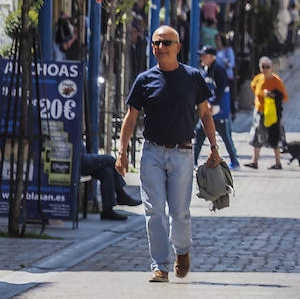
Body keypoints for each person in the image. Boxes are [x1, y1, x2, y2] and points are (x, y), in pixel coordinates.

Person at [116, 25, 221, 282]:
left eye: (166, 43)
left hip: (183, 153)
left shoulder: (193, 77)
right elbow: (131, 118)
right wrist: (122, 152)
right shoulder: (144, 80)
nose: (160, 47)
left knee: (179, 212)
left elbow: (205, 114)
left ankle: (182, 250)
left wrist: (215, 147)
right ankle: (160, 266)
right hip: (151, 152)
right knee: (154, 211)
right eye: (156, 43)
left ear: (178, 47)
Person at [194, 47, 241, 169]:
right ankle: (193, 160)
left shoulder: (219, 69)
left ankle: (234, 161)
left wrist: (213, 103)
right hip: (208, 109)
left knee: (226, 136)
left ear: (211, 56)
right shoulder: (206, 69)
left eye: (204, 55)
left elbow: (221, 90)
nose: (201, 58)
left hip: (219, 111)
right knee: (199, 135)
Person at [247, 57, 288, 169]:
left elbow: (284, 97)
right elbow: (253, 87)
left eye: (267, 67)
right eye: (263, 67)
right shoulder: (258, 78)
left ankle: (278, 162)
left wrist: (272, 95)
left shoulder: (276, 80)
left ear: (271, 68)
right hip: (259, 111)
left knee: (275, 135)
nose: (265, 69)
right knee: (257, 135)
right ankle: (254, 161)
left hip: (272, 113)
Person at [80, 151, 141, 221]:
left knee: (107, 172)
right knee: (110, 159)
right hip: (78, 157)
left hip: (81, 155)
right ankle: (121, 195)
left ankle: (107, 210)